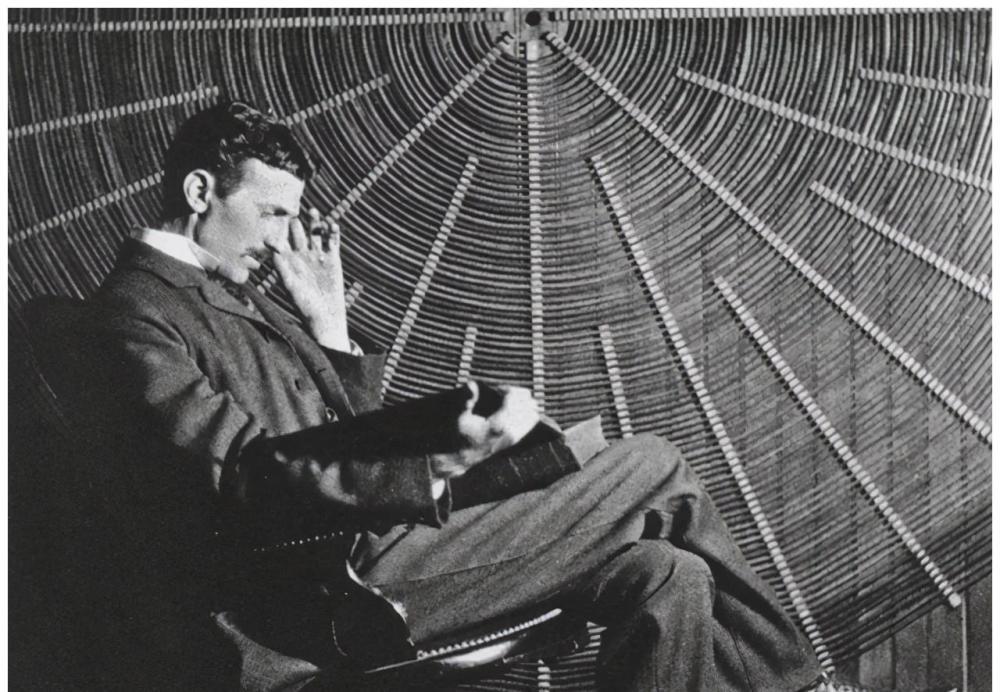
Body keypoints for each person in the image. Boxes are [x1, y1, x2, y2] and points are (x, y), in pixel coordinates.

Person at [42, 101, 823, 691]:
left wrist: (330, 331)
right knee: (655, 465)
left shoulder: (236, 297)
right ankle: (801, 684)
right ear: (200, 190)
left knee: (667, 574)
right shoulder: (132, 316)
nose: (281, 238)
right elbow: (248, 476)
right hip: (326, 592)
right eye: (272, 212)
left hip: (379, 547)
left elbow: (340, 437)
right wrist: (438, 464)